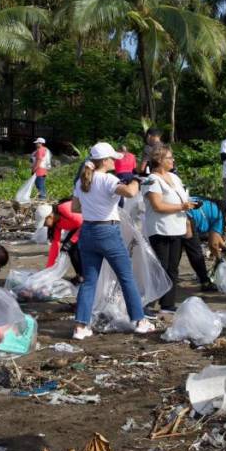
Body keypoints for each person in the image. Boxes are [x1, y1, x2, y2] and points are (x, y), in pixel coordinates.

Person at [73, 141, 155, 340]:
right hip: (107, 231)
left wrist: (95, 206)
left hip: (88, 232)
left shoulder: (82, 181)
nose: (115, 162)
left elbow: (76, 208)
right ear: (105, 161)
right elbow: (130, 192)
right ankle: (140, 321)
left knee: (89, 281)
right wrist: (137, 179)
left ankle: (80, 326)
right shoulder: (107, 179)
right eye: (112, 159)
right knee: (126, 277)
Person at [143, 146, 196, 314]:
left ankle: (168, 304)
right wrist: (181, 206)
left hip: (177, 227)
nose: (173, 161)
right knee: (160, 267)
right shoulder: (151, 179)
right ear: (159, 160)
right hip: (160, 229)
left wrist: (186, 213)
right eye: (169, 158)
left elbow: (183, 199)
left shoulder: (174, 177)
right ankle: (149, 303)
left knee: (173, 267)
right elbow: (157, 205)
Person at [186, 197, 226, 292]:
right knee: (196, 254)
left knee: (173, 258)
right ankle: (205, 283)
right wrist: (219, 258)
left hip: (175, 217)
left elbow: (216, 236)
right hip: (187, 220)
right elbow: (213, 244)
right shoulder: (220, 215)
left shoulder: (210, 205)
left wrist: (224, 247)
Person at [35, 200, 83, 281]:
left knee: (74, 247)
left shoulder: (65, 209)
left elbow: (84, 223)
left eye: (44, 223)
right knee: (67, 248)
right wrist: (48, 271)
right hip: (79, 227)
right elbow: (55, 245)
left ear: (49, 216)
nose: (45, 226)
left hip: (90, 223)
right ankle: (80, 274)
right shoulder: (56, 223)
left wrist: (72, 241)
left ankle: (84, 275)